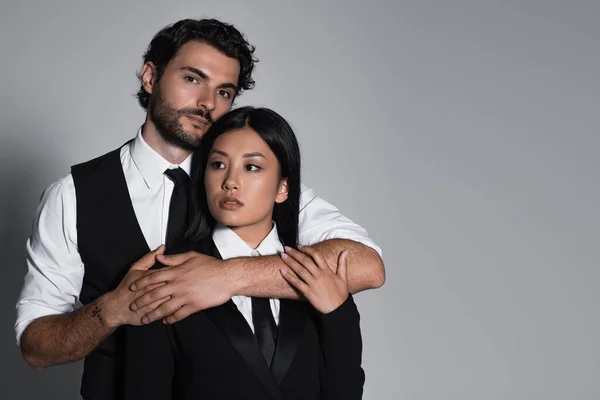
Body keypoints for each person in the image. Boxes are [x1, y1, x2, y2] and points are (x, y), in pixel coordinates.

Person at [15, 18, 383, 400]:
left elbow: (366, 266)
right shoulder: (72, 195)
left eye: (225, 91)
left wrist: (227, 277)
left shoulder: (252, 187)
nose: (208, 103)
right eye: (193, 79)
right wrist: (110, 311)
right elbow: (35, 347)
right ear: (149, 77)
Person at [125, 106, 364, 400]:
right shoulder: (166, 281)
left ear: (283, 187)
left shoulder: (320, 277)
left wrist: (338, 314)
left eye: (251, 167)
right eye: (218, 165)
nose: (230, 182)